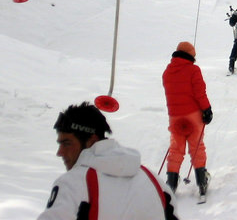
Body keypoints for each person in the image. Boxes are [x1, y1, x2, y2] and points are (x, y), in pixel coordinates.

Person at [38, 102, 178, 220]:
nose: (60, 152)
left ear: (91, 141)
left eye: (67, 143)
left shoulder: (73, 184)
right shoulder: (154, 181)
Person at [162, 41, 212, 198]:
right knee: (197, 147)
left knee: (176, 149)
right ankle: (202, 180)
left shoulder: (167, 72)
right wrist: (207, 109)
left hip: (175, 117)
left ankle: (171, 183)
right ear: (191, 54)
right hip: (193, 115)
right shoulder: (193, 70)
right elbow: (199, 92)